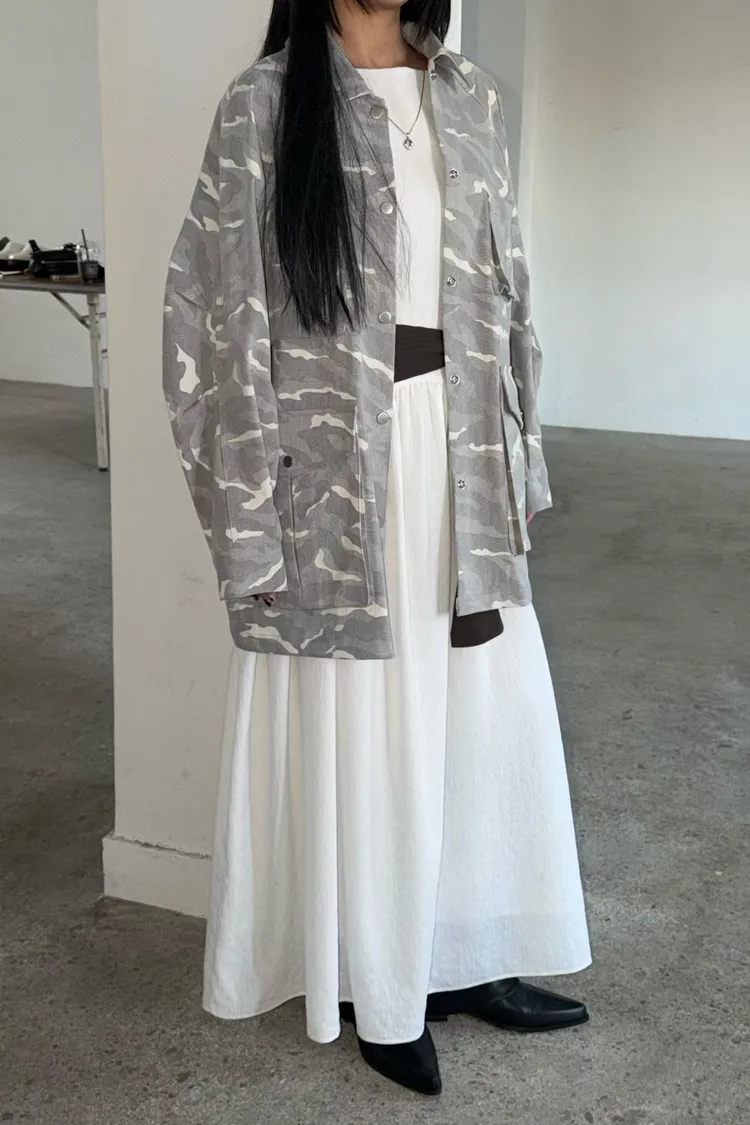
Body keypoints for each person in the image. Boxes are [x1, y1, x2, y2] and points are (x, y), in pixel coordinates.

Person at [162, 0, 592, 1097]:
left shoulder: (470, 94)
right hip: (337, 473)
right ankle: (378, 979)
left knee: (479, 714)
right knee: (371, 726)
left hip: (464, 457)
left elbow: (510, 293)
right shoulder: (266, 106)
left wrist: (519, 461)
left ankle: (468, 955)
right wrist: (247, 520)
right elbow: (209, 320)